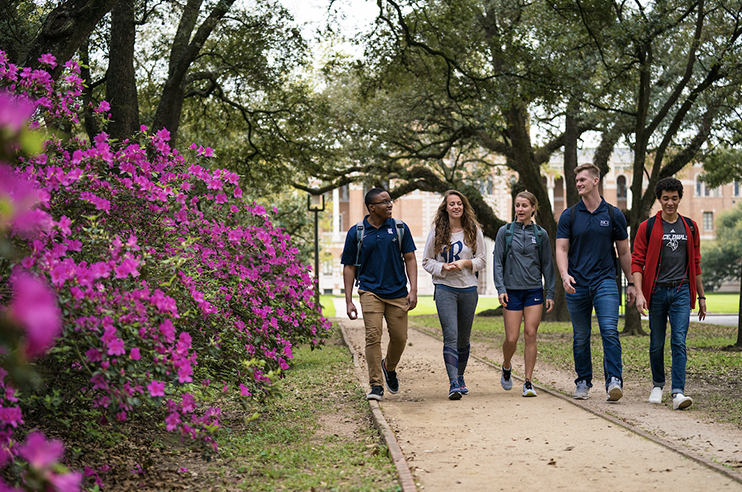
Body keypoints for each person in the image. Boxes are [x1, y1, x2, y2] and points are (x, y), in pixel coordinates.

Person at [556, 163, 636, 401]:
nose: (579, 183)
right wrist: (564, 274)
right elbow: (561, 248)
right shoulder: (569, 215)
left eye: (583, 180)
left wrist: (631, 282)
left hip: (606, 281)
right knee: (581, 336)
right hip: (576, 283)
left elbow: (624, 253)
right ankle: (583, 382)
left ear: (595, 181)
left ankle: (614, 380)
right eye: (577, 180)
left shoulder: (614, 214)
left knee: (609, 330)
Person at [632, 177, 706, 410]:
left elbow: (695, 264)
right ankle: (658, 384)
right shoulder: (648, 227)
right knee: (656, 343)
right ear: (659, 199)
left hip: (681, 290)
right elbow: (637, 262)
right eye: (666, 198)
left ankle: (678, 393)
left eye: (674, 198)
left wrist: (701, 297)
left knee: (678, 341)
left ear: (680, 198)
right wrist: (640, 293)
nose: (670, 203)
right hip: (656, 292)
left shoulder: (690, 227)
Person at [341, 188, 418, 401]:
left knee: (400, 338)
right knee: (373, 337)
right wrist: (349, 301)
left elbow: (410, 259)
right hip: (370, 291)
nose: (389, 204)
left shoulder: (400, 228)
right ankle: (376, 385)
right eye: (384, 202)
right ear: (372, 207)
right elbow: (349, 267)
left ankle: (389, 367)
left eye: (390, 200)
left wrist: (413, 289)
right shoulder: (357, 232)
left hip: (397, 293)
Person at [422, 190, 486, 400]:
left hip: (468, 289)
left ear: (464, 207)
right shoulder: (437, 231)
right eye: (452, 204)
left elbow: (482, 261)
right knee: (450, 335)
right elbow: (427, 261)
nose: (456, 207)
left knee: (463, 338)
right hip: (445, 289)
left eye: (459, 203)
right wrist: (443, 267)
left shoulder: (474, 230)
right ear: (446, 208)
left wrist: (466, 263)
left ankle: (460, 375)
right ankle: (453, 383)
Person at [493, 191, 556, 397]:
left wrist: (550, 292)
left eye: (524, 206)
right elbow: (498, 263)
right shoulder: (505, 232)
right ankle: (507, 364)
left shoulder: (541, 234)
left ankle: (528, 381)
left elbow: (547, 264)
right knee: (511, 339)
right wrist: (501, 289)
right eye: (517, 205)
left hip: (534, 290)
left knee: (530, 334)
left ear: (533, 208)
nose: (520, 209)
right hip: (511, 291)